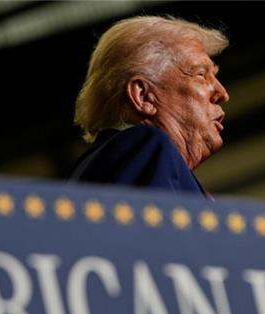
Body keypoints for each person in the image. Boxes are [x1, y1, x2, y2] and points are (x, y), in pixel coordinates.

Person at [69, 16, 230, 198]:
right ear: (143, 96)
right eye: (201, 74)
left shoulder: (97, 166)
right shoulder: (146, 147)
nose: (222, 93)